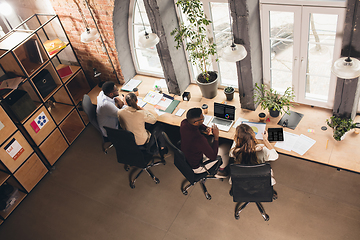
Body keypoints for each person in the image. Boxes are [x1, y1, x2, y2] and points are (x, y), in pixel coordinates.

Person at [180, 107, 230, 177]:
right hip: (197, 167)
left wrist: (205, 128)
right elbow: (213, 157)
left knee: (210, 142)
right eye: (202, 118)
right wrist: (216, 137)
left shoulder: (184, 123)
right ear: (196, 122)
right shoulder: (199, 139)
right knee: (226, 148)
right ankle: (220, 172)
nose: (203, 118)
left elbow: (196, 126)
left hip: (187, 158)